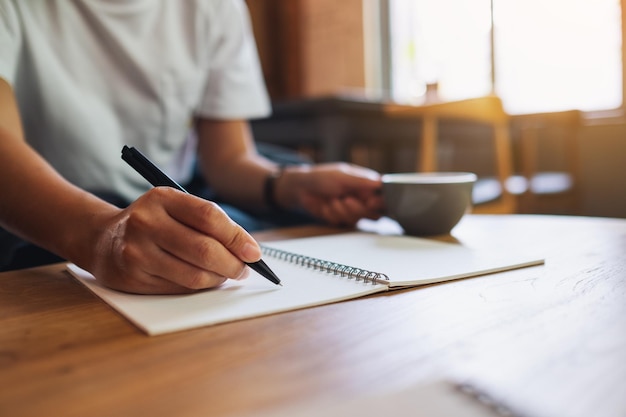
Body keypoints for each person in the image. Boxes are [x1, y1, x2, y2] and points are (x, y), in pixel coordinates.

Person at [0, 0, 383, 294]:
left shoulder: (213, 7)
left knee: (261, 212)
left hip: (180, 196)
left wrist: (292, 184)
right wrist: (100, 237)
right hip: (56, 215)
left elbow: (228, 159)